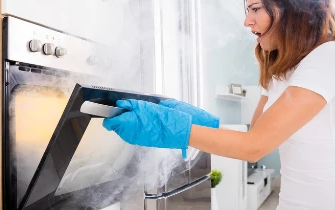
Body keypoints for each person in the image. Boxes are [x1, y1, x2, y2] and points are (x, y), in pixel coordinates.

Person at [103, 0, 335, 209]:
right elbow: (256, 135)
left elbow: (254, 147)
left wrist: (172, 128)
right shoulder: (279, 70)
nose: (247, 21)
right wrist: (200, 122)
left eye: (255, 8)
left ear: (293, 9)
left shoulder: (327, 57)